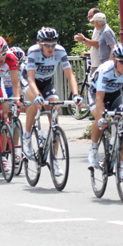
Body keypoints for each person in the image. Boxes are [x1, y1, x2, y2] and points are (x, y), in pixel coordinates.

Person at [22, 28, 81, 177]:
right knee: (36, 103)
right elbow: (30, 79)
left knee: (54, 110)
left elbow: (70, 75)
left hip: (47, 81)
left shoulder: (60, 51)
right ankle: (27, 137)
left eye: (53, 44)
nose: (51, 48)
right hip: (30, 80)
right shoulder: (33, 51)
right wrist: (37, 95)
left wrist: (76, 95)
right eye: (47, 45)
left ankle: (54, 160)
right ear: (40, 44)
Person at [87, 43, 123, 181]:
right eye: (122, 62)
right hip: (96, 93)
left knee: (122, 126)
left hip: (115, 94)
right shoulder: (106, 70)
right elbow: (99, 98)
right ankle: (93, 150)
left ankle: (122, 165)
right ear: (115, 61)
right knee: (100, 120)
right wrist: (102, 117)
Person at [74, 8, 103, 72]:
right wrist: (82, 40)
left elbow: (97, 44)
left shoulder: (101, 28)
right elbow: (91, 46)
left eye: (90, 16)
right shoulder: (96, 29)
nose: (88, 19)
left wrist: (84, 39)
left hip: (100, 64)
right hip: (95, 63)